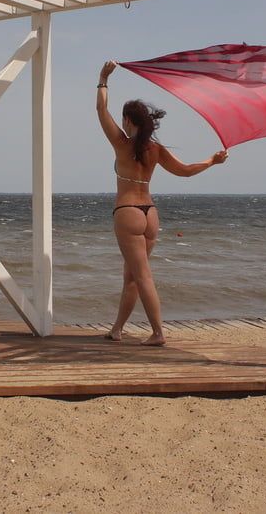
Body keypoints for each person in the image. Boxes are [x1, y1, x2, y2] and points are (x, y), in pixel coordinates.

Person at [96, 60, 228, 346]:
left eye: (124, 118)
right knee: (131, 276)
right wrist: (211, 161)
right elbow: (185, 171)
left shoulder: (122, 143)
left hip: (128, 212)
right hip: (150, 214)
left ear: (129, 121)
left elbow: (100, 110)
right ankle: (117, 329)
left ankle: (158, 333)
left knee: (141, 276)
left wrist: (103, 79)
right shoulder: (155, 149)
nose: (121, 122)